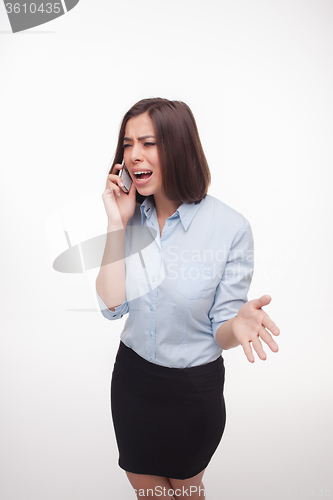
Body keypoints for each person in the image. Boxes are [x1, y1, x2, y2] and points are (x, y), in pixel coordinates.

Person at [95, 98, 280, 499]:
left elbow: (222, 330)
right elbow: (112, 307)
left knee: (183, 491)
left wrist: (239, 324)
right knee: (145, 488)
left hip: (192, 391)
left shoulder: (231, 228)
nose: (133, 155)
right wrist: (115, 223)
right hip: (132, 380)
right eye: (127, 144)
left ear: (178, 146)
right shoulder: (130, 217)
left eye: (148, 142)